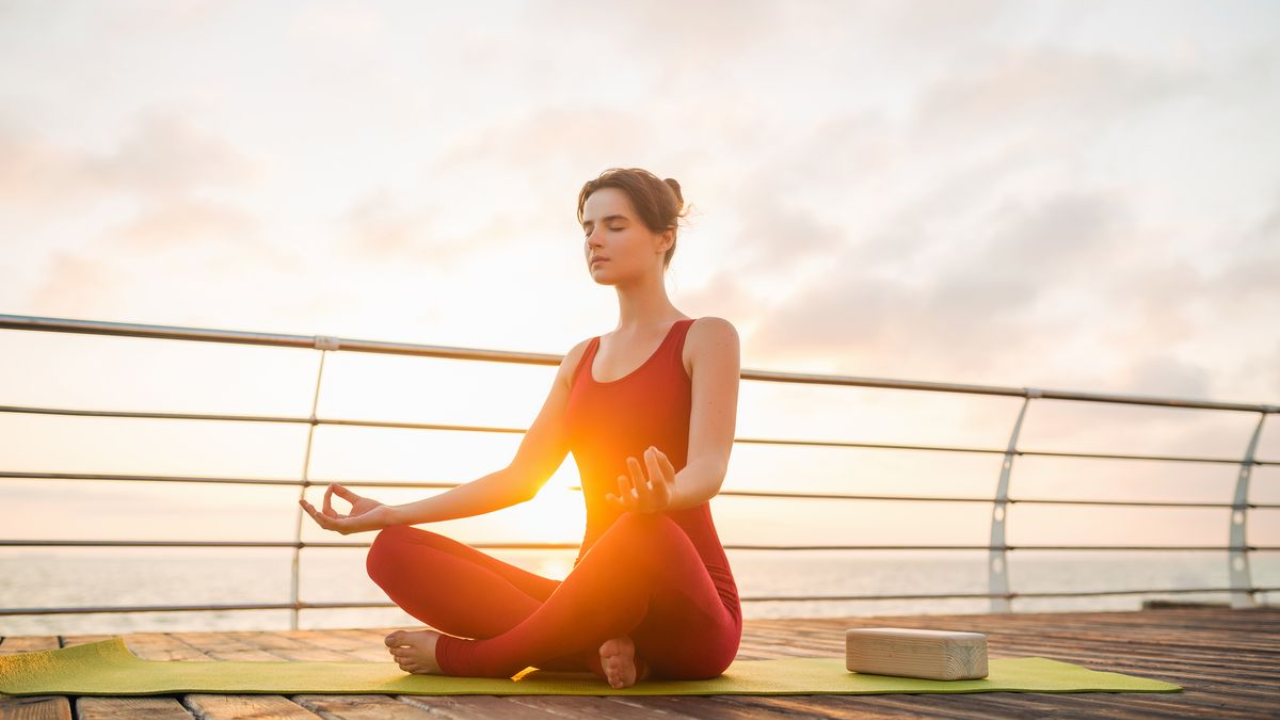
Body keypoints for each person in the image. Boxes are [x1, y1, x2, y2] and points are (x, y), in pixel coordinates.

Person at [299, 167, 743, 689]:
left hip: (689, 612)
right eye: (587, 228)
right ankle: (596, 656)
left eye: (615, 225)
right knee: (393, 552)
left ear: (664, 237)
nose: (594, 240)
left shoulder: (706, 337)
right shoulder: (581, 360)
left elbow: (709, 469)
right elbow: (521, 478)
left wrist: (664, 495)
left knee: (640, 530)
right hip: (593, 601)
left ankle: (475, 659)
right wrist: (391, 512)